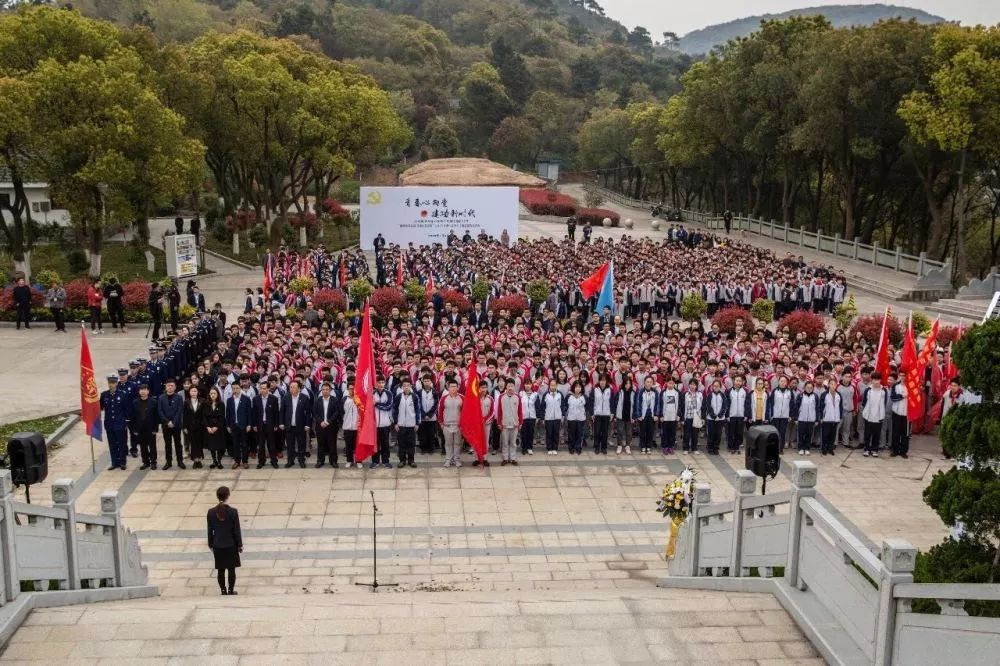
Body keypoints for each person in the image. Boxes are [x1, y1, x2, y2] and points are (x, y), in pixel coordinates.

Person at [207, 486, 242, 595]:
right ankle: (231, 590)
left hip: (218, 544)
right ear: (227, 496)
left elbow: (210, 530)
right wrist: (239, 544)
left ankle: (223, 590)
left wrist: (210, 544)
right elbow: (236, 530)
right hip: (231, 544)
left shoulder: (211, 512)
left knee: (220, 569)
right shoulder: (233, 512)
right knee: (231, 569)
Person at [100, 375, 129, 471]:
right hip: (109, 424)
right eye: (110, 383)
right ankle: (114, 462)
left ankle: (122, 462)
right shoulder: (104, 395)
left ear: (116, 383)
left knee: (121, 444)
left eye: (113, 383)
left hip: (120, 423)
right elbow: (100, 407)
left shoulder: (122, 394)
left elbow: (126, 409)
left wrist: (126, 422)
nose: (111, 385)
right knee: (112, 444)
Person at [128, 384, 159, 470]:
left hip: (151, 428)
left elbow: (156, 416)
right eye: (141, 390)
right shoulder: (135, 402)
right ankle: (145, 462)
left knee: (152, 446)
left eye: (145, 389)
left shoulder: (153, 402)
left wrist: (155, 428)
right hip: (140, 428)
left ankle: (153, 462)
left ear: (148, 391)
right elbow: (132, 417)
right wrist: (134, 429)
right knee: (143, 446)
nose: (143, 391)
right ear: (139, 391)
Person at [281, 380, 311, 468]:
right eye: (290, 387)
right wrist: (281, 423)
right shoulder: (286, 397)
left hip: (300, 425)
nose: (291, 389)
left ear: (299, 389)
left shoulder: (304, 398)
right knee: (290, 445)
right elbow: (282, 411)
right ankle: (290, 461)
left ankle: (301, 460)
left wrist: (307, 424)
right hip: (289, 425)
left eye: (294, 387)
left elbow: (308, 413)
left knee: (301, 444)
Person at [157, 379, 185, 470]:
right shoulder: (161, 398)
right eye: (168, 385)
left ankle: (180, 461)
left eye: (172, 385)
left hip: (176, 425)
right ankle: (168, 462)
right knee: (167, 444)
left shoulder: (179, 397)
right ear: (165, 387)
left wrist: (174, 422)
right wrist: (167, 422)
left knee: (178, 443)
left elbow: (179, 410)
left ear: (175, 387)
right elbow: (160, 411)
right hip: (166, 425)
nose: (170, 387)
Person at [314, 381, 342, 468]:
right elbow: (315, 413)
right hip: (320, 426)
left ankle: (333, 461)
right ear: (321, 391)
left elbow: (337, 412)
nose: (325, 391)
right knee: (320, 445)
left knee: (332, 445)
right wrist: (321, 422)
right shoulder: (317, 400)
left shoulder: (335, 400)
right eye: (323, 389)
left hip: (331, 426)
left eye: (327, 389)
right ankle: (320, 461)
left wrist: (329, 421)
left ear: (330, 390)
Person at [252, 381, 280, 469]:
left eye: (264, 388)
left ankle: (274, 461)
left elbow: (276, 413)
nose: (262, 390)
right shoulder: (256, 399)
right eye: (261, 388)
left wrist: (276, 425)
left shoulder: (274, 399)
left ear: (268, 389)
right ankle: (261, 461)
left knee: (271, 445)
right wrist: (254, 425)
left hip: (270, 425)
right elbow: (254, 413)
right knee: (261, 445)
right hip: (260, 425)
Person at [393, 378, 420, 468]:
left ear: (411, 386)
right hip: (401, 425)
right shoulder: (398, 397)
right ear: (402, 387)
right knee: (401, 444)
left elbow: (417, 410)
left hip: (411, 425)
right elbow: (395, 410)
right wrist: (396, 423)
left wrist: (417, 423)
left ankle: (411, 460)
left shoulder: (414, 397)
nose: (406, 387)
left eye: (408, 385)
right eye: (404, 386)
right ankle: (402, 460)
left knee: (411, 444)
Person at [860, 372, 888, 458]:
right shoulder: (868, 390)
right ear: (871, 380)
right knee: (867, 433)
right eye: (874, 380)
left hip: (879, 416)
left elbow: (884, 403)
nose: (876, 382)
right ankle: (866, 449)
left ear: (880, 380)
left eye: (878, 380)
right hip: (869, 415)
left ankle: (874, 449)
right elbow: (864, 402)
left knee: (877, 433)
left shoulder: (883, 391)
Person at [226, 382, 252, 470]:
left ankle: (245, 461)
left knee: (244, 444)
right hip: (234, 425)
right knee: (235, 444)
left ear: (240, 388)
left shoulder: (246, 399)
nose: (235, 390)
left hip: (243, 425)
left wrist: (249, 424)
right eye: (233, 388)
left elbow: (249, 413)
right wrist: (228, 425)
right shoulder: (229, 400)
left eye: (237, 388)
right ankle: (237, 461)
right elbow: (228, 414)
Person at [438, 380, 463, 467]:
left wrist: (462, 424)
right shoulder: (443, 398)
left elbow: (465, 412)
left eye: (455, 386)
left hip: (458, 425)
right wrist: (441, 423)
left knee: (457, 443)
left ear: (458, 387)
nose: (453, 388)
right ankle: (448, 460)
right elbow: (440, 411)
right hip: (447, 425)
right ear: (448, 388)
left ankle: (457, 460)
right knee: (448, 443)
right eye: (451, 386)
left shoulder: (462, 398)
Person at [372, 377, 394, 469]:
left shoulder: (389, 393)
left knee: (385, 443)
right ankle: (375, 461)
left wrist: (376, 404)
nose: (381, 384)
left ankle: (386, 461)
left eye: (382, 382)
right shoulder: (372, 393)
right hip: (374, 424)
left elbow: (388, 406)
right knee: (375, 444)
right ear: (375, 384)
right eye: (379, 382)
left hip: (385, 423)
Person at [203, 386, 226, 469]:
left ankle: (219, 461)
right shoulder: (206, 404)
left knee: (219, 446)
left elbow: (222, 417)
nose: (213, 395)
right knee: (212, 446)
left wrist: (217, 427)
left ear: (217, 394)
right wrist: (208, 427)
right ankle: (214, 461)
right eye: (211, 393)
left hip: (218, 428)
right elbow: (204, 417)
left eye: (214, 393)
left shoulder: (221, 404)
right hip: (209, 427)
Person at [819, 378, 842, 456]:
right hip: (826, 418)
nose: (833, 386)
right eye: (831, 384)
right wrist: (821, 417)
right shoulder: (824, 394)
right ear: (828, 385)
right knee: (825, 434)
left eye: (834, 384)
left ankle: (830, 448)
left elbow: (840, 407)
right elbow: (821, 407)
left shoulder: (838, 395)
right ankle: (824, 448)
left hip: (835, 418)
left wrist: (840, 416)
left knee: (833, 435)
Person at [540, 379, 564, 455]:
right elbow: (543, 407)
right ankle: (549, 448)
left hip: (557, 417)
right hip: (548, 418)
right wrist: (542, 418)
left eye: (554, 385)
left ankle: (555, 448)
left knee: (556, 433)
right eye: (551, 385)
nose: (553, 387)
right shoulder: (546, 395)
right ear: (549, 386)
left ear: (556, 385)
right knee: (549, 433)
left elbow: (562, 406)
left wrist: (562, 416)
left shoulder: (560, 394)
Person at [888, 373, 909, 458]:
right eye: (901, 375)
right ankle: (895, 450)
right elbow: (893, 397)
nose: (902, 377)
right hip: (896, 412)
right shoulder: (895, 385)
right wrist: (903, 396)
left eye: (904, 375)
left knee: (905, 433)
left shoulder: (910, 385)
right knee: (895, 432)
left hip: (907, 413)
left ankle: (903, 451)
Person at [184, 385, 205, 468]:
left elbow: (203, 414)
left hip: (200, 425)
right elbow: (185, 415)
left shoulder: (202, 401)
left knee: (199, 443)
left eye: (195, 391)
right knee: (193, 443)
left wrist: (204, 425)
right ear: (189, 392)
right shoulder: (186, 402)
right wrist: (184, 427)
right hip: (190, 425)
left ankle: (199, 460)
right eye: (192, 391)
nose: (193, 393)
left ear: (198, 392)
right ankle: (195, 460)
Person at [592, 375, 613, 455]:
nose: (602, 382)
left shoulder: (609, 390)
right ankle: (597, 447)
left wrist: (612, 413)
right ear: (599, 381)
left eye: (604, 380)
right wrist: (592, 413)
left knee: (605, 432)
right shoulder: (595, 390)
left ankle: (604, 447)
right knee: (597, 432)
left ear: (606, 381)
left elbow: (612, 402)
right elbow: (591, 401)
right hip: (597, 414)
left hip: (606, 414)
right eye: (601, 380)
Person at [680, 378, 703, 454]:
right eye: (691, 384)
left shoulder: (700, 394)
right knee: (686, 434)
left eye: (694, 384)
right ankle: (686, 448)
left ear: (696, 386)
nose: (692, 386)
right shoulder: (685, 394)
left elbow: (702, 406)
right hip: (687, 417)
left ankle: (694, 448)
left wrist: (702, 417)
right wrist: (682, 419)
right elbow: (682, 407)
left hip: (696, 417)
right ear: (689, 385)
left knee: (695, 434)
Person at [615, 376, 636, 455]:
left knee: (629, 432)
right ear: (623, 384)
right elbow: (615, 402)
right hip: (620, 414)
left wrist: (634, 416)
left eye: (629, 383)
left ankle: (627, 446)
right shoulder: (620, 392)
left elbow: (635, 405)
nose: (628, 385)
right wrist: (615, 414)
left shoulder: (633, 392)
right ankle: (619, 445)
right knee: (620, 431)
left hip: (629, 415)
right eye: (626, 383)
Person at [342, 378, 359, 467]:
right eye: (350, 389)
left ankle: (359, 461)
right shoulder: (344, 399)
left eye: (353, 388)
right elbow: (341, 411)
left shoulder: (359, 399)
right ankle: (349, 460)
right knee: (348, 445)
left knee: (357, 445)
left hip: (357, 426)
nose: (352, 390)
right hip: (347, 425)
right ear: (348, 389)